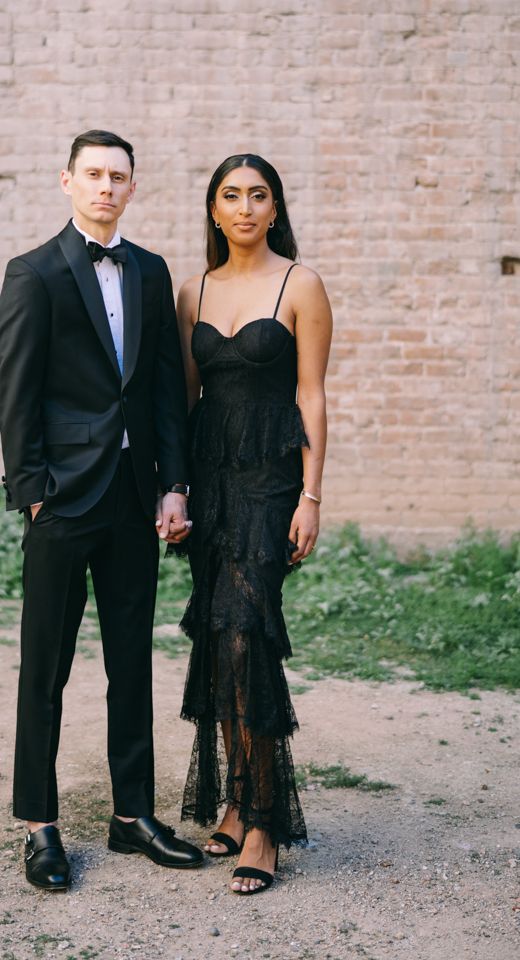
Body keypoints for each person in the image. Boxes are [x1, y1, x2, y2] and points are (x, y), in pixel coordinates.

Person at [0, 129, 204, 892]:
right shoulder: (35, 272)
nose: (107, 187)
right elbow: (15, 394)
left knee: (131, 662)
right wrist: (33, 493)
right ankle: (39, 824)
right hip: (62, 502)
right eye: (94, 174)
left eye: (119, 177)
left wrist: (172, 483)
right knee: (43, 666)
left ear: (132, 188)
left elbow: (161, 391)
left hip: (131, 499)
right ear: (68, 181)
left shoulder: (149, 271)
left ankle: (133, 815)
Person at [173, 154, 332, 895]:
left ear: (275, 207)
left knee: (245, 633)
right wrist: (172, 492)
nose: (243, 206)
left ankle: (264, 823)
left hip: (272, 480)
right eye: (230, 195)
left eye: (257, 195)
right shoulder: (193, 290)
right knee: (218, 635)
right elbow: (182, 401)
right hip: (210, 479)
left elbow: (313, 395)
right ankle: (236, 799)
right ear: (214, 210)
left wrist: (313, 496)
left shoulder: (301, 284)